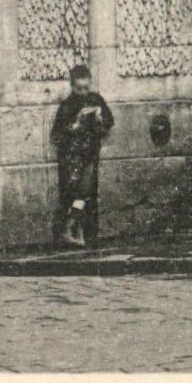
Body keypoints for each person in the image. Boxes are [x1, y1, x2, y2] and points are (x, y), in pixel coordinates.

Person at [50, 64, 114, 248]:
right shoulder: (66, 106)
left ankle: (80, 235)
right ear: (72, 86)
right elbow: (57, 136)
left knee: (87, 195)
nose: (84, 92)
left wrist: (101, 119)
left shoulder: (96, 100)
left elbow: (109, 122)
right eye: (79, 88)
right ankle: (69, 233)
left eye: (87, 87)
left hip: (90, 155)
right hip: (71, 159)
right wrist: (74, 125)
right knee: (76, 195)